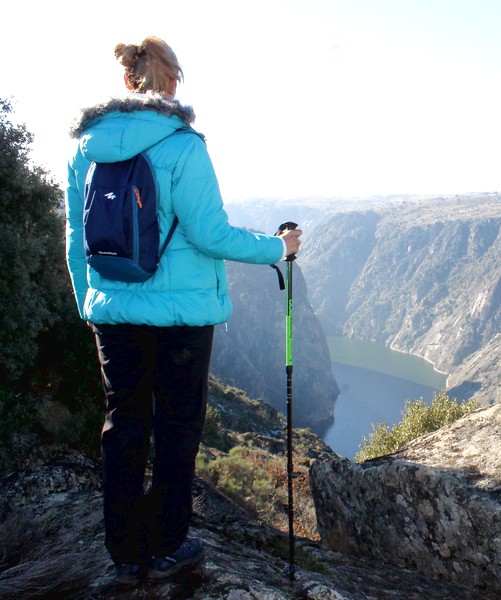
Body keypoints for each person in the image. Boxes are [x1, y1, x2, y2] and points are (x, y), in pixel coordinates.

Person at [64, 36, 303, 586]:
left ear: (128, 82)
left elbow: (76, 234)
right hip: (181, 317)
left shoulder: (85, 146)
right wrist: (279, 248)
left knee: (123, 425)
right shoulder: (183, 144)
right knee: (176, 428)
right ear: (172, 83)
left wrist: (88, 301)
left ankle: (125, 556)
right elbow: (210, 234)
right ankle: (168, 545)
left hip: (113, 311)